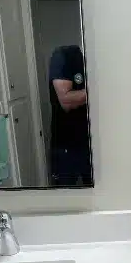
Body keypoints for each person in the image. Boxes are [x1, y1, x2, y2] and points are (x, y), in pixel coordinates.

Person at [48, 44, 93, 186]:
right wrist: (101, 88)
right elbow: (66, 101)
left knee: (98, 195)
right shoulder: (64, 55)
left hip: (93, 144)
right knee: (65, 196)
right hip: (66, 145)